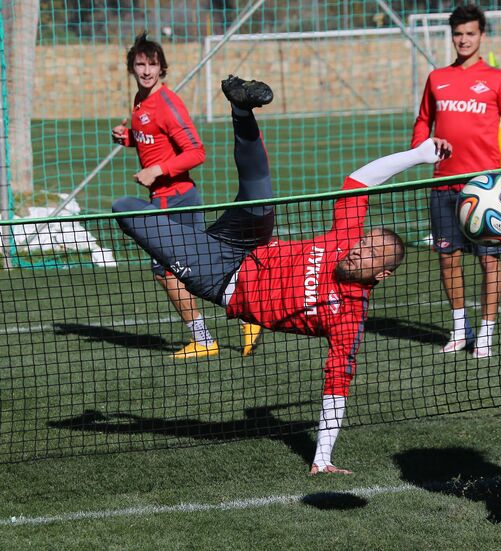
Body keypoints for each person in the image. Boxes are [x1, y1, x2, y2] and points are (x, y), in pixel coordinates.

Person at [115, 75, 452, 474]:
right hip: (250, 240)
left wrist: (322, 457)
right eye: (366, 242)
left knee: (125, 206)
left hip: (222, 278)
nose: (360, 250)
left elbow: (337, 385)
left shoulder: (349, 317)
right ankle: (242, 106)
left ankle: (187, 235)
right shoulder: (345, 239)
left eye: (372, 254)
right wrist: (420, 154)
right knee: (260, 193)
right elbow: (359, 181)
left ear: (381, 276)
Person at [111, 33, 262, 359]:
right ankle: (246, 317)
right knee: (194, 267)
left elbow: (196, 152)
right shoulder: (140, 102)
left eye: (152, 64)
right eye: (140, 64)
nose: (146, 70)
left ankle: (212, 335)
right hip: (164, 199)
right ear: (132, 67)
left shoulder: (166, 103)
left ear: (162, 68)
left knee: (170, 270)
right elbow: (152, 140)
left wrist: (157, 171)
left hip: (175, 198)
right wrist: (126, 139)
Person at [411, 3, 501, 359]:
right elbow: (423, 122)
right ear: (452, 36)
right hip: (443, 185)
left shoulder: (497, 79)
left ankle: (486, 331)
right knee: (448, 258)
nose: (464, 40)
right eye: (458, 34)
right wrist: (421, 147)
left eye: (470, 34)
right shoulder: (437, 78)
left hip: (488, 190)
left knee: (489, 262)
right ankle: (459, 325)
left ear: (482, 36)